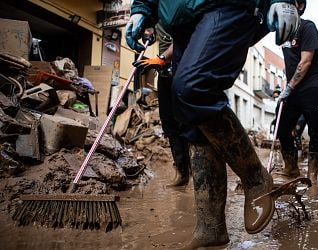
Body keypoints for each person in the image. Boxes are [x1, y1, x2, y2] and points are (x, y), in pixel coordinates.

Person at [125, 0, 299, 248]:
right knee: (188, 114)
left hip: (225, 5)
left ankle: (256, 178)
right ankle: (210, 227)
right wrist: (142, 9)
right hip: (181, 18)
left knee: (192, 88)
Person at [134, 24, 191, 187]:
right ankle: (182, 172)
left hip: (184, 70)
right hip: (165, 74)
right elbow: (153, 29)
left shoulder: (177, 9)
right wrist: (149, 32)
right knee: (168, 122)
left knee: (188, 123)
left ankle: (200, 172)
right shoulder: (157, 11)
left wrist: (162, 58)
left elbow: (184, 38)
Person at [276, 0, 318, 184]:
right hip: (293, 89)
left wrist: (289, 87)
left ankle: (312, 176)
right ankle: (291, 168)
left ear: (300, 6)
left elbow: (305, 62)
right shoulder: (284, 31)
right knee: (282, 126)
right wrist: (287, 88)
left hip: (311, 86)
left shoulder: (308, 27)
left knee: (314, 131)